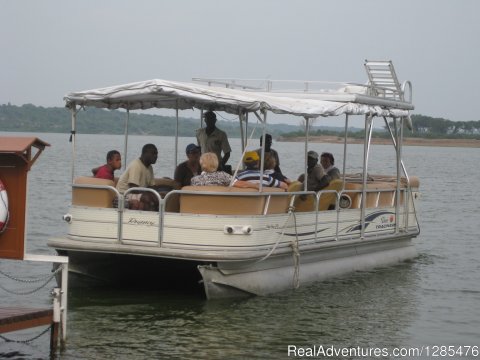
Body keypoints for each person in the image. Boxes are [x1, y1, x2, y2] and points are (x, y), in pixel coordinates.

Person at [116, 144, 158, 209]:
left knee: (157, 197)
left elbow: (152, 186)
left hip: (136, 193)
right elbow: (133, 188)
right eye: (153, 153)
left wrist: (158, 194)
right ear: (145, 153)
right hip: (124, 194)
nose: (156, 156)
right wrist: (150, 194)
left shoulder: (150, 167)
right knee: (147, 198)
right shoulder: (136, 165)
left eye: (156, 154)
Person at [191, 152, 258, 189]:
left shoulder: (194, 180)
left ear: (201, 164)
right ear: (216, 163)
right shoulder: (223, 176)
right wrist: (256, 185)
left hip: (201, 210)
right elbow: (242, 184)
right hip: (220, 209)